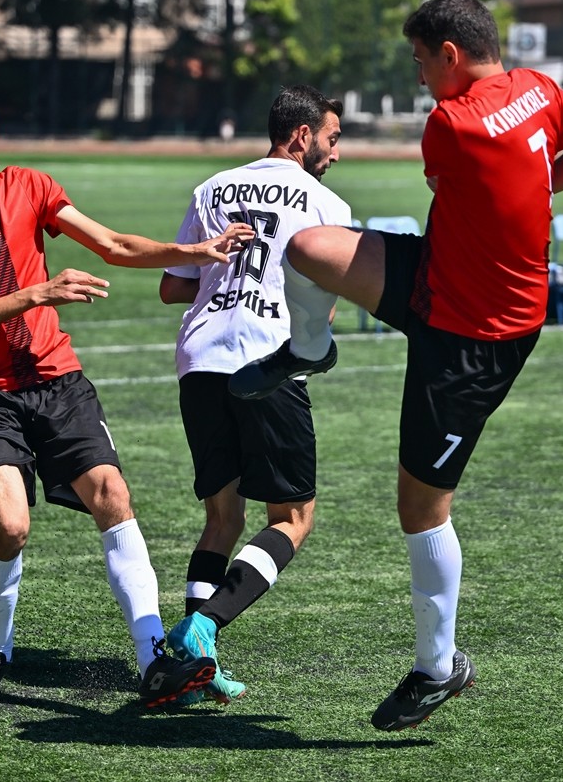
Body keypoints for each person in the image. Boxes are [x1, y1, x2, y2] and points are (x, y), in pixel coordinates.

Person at [230, 0, 563, 731]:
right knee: (310, 248)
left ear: (451, 55)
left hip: (476, 335)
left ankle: (438, 668)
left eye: (420, 61)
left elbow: (465, 180)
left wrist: (523, 194)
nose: (418, 77)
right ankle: (309, 350)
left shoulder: (451, 124)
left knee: (421, 508)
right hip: (440, 274)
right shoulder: (541, 90)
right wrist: (538, 189)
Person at [0, 88, 256, 708]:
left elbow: (112, 245)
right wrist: (36, 294)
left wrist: (196, 251)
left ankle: (152, 664)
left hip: (55, 378)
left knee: (113, 494)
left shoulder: (29, 186)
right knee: (10, 523)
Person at [158, 85, 352, 706]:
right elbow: (328, 297)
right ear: (301, 136)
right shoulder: (327, 203)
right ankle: (205, 627)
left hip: (200, 357)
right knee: (293, 519)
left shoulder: (211, 188)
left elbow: (172, 287)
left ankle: (190, 669)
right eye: (332, 136)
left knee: (222, 517)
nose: (336, 151)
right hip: (266, 361)